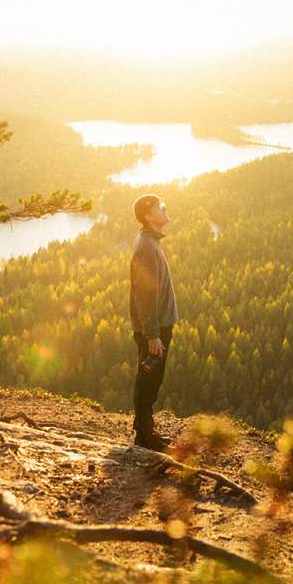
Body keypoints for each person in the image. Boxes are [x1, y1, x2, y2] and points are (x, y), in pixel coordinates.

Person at [129, 193, 178, 451]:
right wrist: (152, 335)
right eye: (161, 206)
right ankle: (145, 437)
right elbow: (145, 295)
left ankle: (145, 432)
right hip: (154, 330)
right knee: (149, 379)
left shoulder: (151, 243)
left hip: (157, 327)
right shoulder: (147, 248)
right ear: (148, 215)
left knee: (151, 379)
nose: (165, 208)